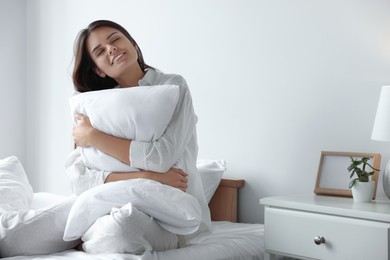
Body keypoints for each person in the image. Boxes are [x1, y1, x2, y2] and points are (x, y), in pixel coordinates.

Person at [65, 20, 211, 247]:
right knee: (66, 220)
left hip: (171, 213)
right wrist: (149, 177)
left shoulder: (173, 86)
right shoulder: (95, 105)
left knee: (119, 231)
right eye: (100, 51)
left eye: (115, 40)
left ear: (132, 43)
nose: (111, 48)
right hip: (111, 202)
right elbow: (80, 178)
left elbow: (161, 157)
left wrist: (94, 136)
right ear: (98, 70)